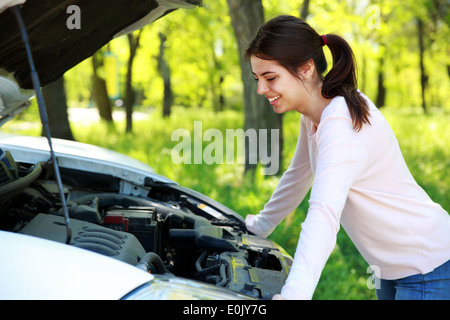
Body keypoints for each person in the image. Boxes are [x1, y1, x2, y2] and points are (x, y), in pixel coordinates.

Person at [244, 15, 450, 300]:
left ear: (305, 69)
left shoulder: (341, 123)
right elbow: (298, 176)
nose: (261, 89)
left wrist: (295, 294)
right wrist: (258, 226)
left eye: (270, 78)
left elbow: (324, 216)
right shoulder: (316, 113)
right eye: (257, 78)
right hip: (391, 269)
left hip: (427, 267)